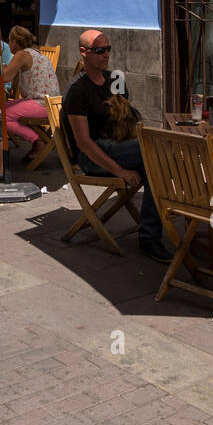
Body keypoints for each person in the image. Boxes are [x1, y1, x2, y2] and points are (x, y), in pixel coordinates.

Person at [62, 28, 171, 264]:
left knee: (157, 163)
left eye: (108, 49)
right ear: (84, 52)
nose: (106, 54)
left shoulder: (115, 79)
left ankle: (151, 235)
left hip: (119, 144)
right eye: (100, 50)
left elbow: (128, 117)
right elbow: (83, 143)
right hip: (93, 154)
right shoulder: (77, 91)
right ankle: (151, 237)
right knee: (153, 152)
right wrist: (121, 172)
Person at [0, 27, 60, 156]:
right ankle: (38, 138)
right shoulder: (35, 52)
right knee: (0, 109)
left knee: (0, 116)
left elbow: (5, 77)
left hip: (42, 104)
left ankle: (38, 141)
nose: (9, 44)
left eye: (9, 41)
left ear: (15, 42)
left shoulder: (21, 54)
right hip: (52, 103)